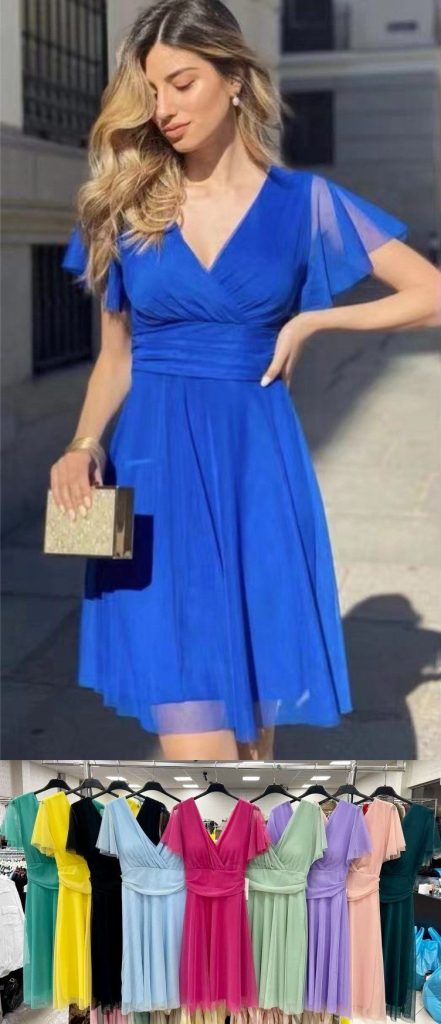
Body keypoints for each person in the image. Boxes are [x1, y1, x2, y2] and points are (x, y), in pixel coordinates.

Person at [51, 0, 441, 760]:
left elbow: (428, 293)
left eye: (182, 83)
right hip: (156, 478)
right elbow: (116, 355)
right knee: (195, 754)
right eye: (151, 91)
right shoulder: (123, 211)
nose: (163, 109)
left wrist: (312, 323)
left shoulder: (306, 205)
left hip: (256, 473)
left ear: (233, 79)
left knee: (251, 751)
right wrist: (83, 442)